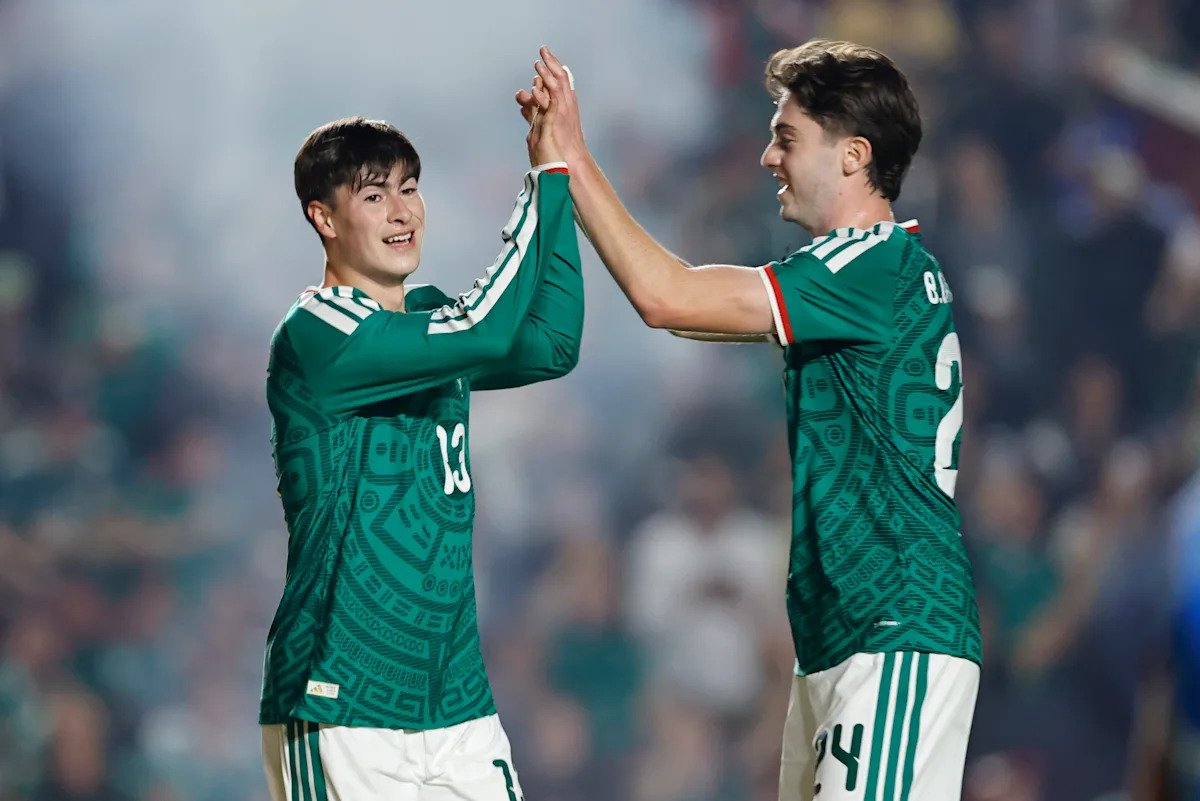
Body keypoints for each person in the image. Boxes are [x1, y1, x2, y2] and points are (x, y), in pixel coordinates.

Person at [517, 40, 981, 801]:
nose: (769, 157)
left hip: (894, 628)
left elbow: (667, 296)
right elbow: (684, 313)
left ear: (854, 155)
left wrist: (571, 159)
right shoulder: (883, 270)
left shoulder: (866, 266)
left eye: (787, 138)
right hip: (851, 634)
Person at [258, 100, 582, 801]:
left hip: (456, 700)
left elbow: (554, 343)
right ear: (324, 217)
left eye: (410, 188)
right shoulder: (317, 333)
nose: (402, 210)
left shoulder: (433, 322)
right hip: (341, 699)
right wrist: (544, 182)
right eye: (375, 196)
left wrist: (558, 179)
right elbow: (487, 329)